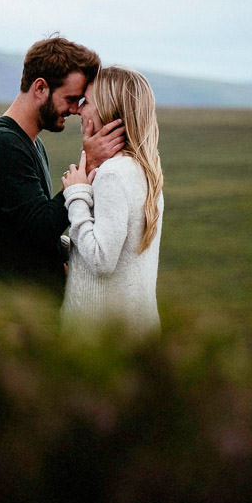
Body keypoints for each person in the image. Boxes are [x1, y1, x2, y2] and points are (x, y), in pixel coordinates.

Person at [0, 35, 124, 296]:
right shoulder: (2, 144)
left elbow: (27, 232)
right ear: (40, 88)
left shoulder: (31, 144)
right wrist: (90, 163)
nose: (75, 109)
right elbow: (40, 227)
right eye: (71, 98)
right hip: (8, 317)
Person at [59, 65, 164, 335]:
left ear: (108, 111)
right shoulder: (144, 169)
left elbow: (102, 258)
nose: (79, 110)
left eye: (88, 102)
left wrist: (77, 196)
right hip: (136, 330)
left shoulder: (113, 175)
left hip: (104, 337)